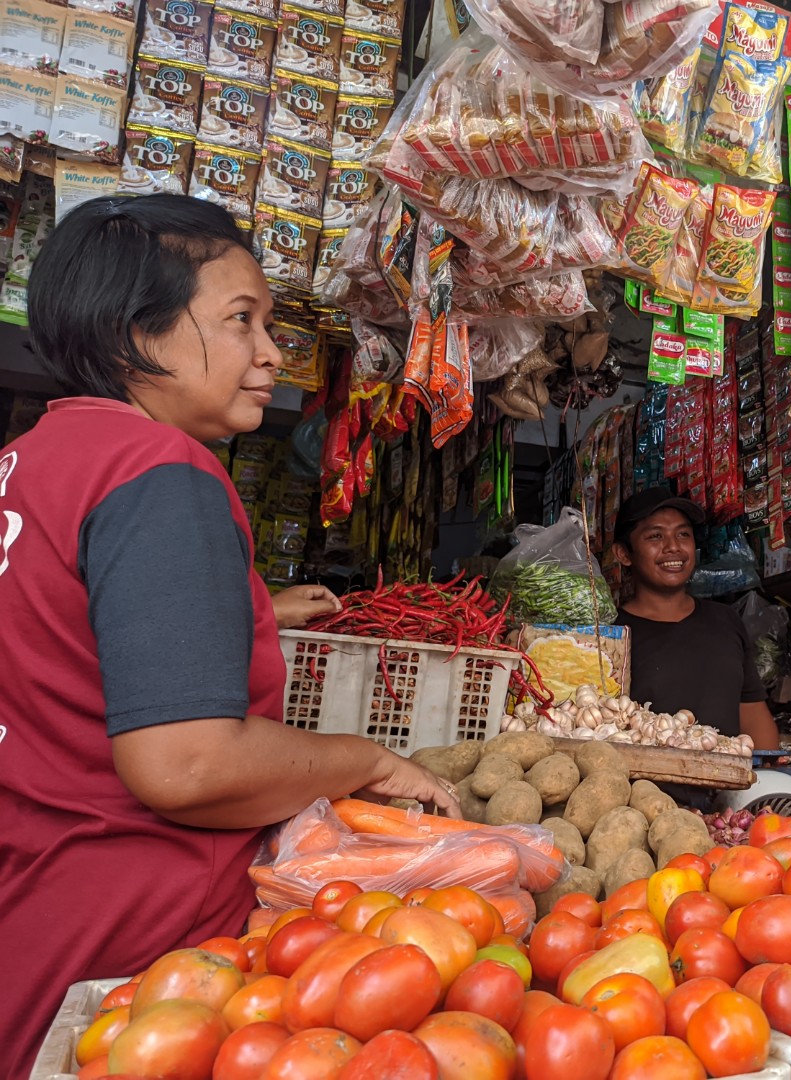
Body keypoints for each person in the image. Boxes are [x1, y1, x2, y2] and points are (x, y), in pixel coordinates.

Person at [0, 194, 460, 1077]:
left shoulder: (37, 460)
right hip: (126, 946)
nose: (271, 353)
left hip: (38, 901)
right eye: (241, 320)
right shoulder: (160, 470)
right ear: (136, 333)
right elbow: (187, 765)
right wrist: (363, 759)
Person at [613, 487, 781, 750]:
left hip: (727, 785)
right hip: (644, 789)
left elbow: (753, 715)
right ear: (624, 554)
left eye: (683, 534)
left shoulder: (725, 622)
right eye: (655, 536)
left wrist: (768, 778)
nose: (673, 547)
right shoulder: (613, 634)